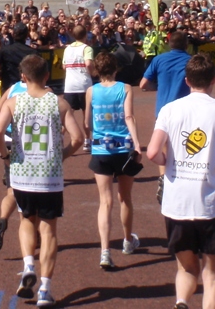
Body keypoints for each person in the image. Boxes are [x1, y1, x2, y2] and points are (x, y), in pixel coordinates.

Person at [147, 54, 215, 309]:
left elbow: (152, 153)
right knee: (213, 273)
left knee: (186, 267)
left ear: (187, 80)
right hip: (209, 204)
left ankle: (182, 300)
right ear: (213, 80)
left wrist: (168, 160)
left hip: (176, 203)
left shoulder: (169, 110)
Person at [0, 55, 84, 307]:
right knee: (49, 230)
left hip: (22, 175)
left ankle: (28, 265)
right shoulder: (60, 103)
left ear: (23, 77)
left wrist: (5, 155)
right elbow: (78, 138)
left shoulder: (13, 102)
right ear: (46, 76)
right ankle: (45, 288)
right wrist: (61, 156)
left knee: (25, 220)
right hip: (49, 177)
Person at [85, 52, 143, 269]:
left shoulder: (91, 91)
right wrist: (137, 144)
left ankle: (105, 251)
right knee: (125, 198)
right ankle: (128, 241)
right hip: (123, 148)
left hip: (101, 149)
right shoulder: (125, 88)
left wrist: (90, 137)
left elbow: (87, 123)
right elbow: (129, 117)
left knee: (105, 202)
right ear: (116, 68)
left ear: (98, 71)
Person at [140, 30, 192, 202]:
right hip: (184, 109)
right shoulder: (190, 60)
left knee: (164, 146)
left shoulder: (158, 59)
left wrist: (158, 88)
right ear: (186, 44)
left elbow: (143, 84)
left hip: (163, 109)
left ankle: (163, 177)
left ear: (170, 43)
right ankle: (183, 180)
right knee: (185, 146)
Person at [0, 77, 28, 252]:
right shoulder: (45, 91)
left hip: (8, 141)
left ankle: (3, 218)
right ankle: (32, 237)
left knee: (12, 190)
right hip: (29, 144)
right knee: (30, 192)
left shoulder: (12, 89)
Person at [62, 25, 95, 153]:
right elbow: (88, 64)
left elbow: (64, 66)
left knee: (66, 115)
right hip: (84, 85)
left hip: (69, 86)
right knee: (86, 114)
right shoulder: (87, 48)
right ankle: (87, 140)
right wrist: (92, 71)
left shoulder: (67, 49)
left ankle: (59, 139)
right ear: (85, 35)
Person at [0, 23, 32, 93]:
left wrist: (2, 74)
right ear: (27, 35)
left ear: (13, 34)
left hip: (9, 89)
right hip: (27, 90)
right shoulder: (33, 52)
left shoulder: (3, 50)